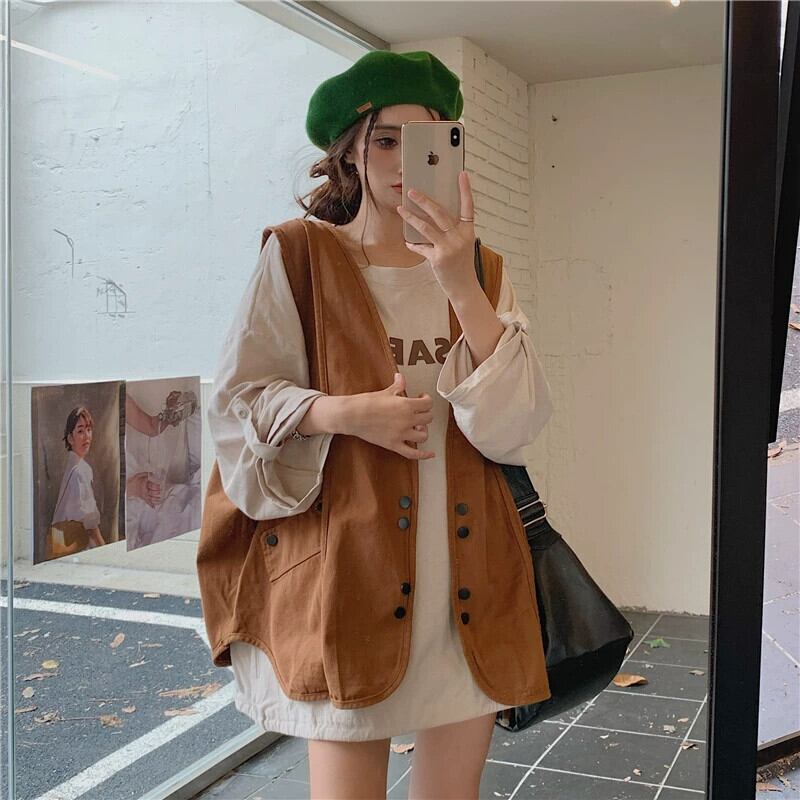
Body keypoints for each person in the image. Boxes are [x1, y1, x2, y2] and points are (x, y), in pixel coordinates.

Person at [205, 50, 554, 799]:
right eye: (385, 140)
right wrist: (344, 413)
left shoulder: (483, 270)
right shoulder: (300, 256)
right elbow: (239, 402)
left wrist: (459, 284)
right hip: (348, 578)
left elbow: (514, 425)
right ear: (351, 154)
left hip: (468, 583)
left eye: (427, 140)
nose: (402, 160)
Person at [47, 405, 106, 560]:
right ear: (70, 438)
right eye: (80, 431)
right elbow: (90, 524)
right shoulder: (79, 471)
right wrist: (105, 550)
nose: (87, 436)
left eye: (89, 429)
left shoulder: (76, 466)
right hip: (71, 545)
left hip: (65, 542)